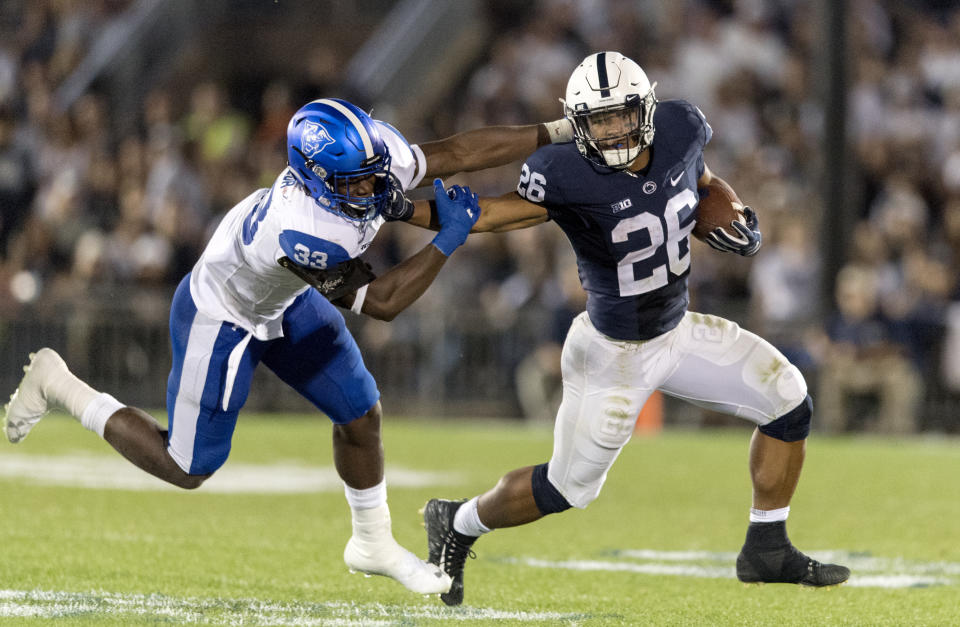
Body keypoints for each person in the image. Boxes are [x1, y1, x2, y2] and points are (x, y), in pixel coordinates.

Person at [2, 97, 572, 595]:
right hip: (224, 312)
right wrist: (449, 240)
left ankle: (371, 542)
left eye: (375, 174)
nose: (374, 189)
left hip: (285, 297)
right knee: (189, 464)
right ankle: (61, 384)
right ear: (316, 179)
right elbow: (383, 303)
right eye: (356, 183)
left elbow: (455, 152)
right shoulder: (303, 229)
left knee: (361, 413)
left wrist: (556, 130)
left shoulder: (370, 159)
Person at [416, 52, 851, 606]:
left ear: (644, 108)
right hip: (612, 353)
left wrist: (732, 207)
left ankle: (766, 544)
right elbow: (492, 214)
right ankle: (458, 521)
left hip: (676, 331)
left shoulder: (681, 126)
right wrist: (406, 210)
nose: (613, 130)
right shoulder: (562, 170)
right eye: (598, 120)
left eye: (621, 115)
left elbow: (705, 179)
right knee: (566, 489)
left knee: (789, 399)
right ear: (578, 123)